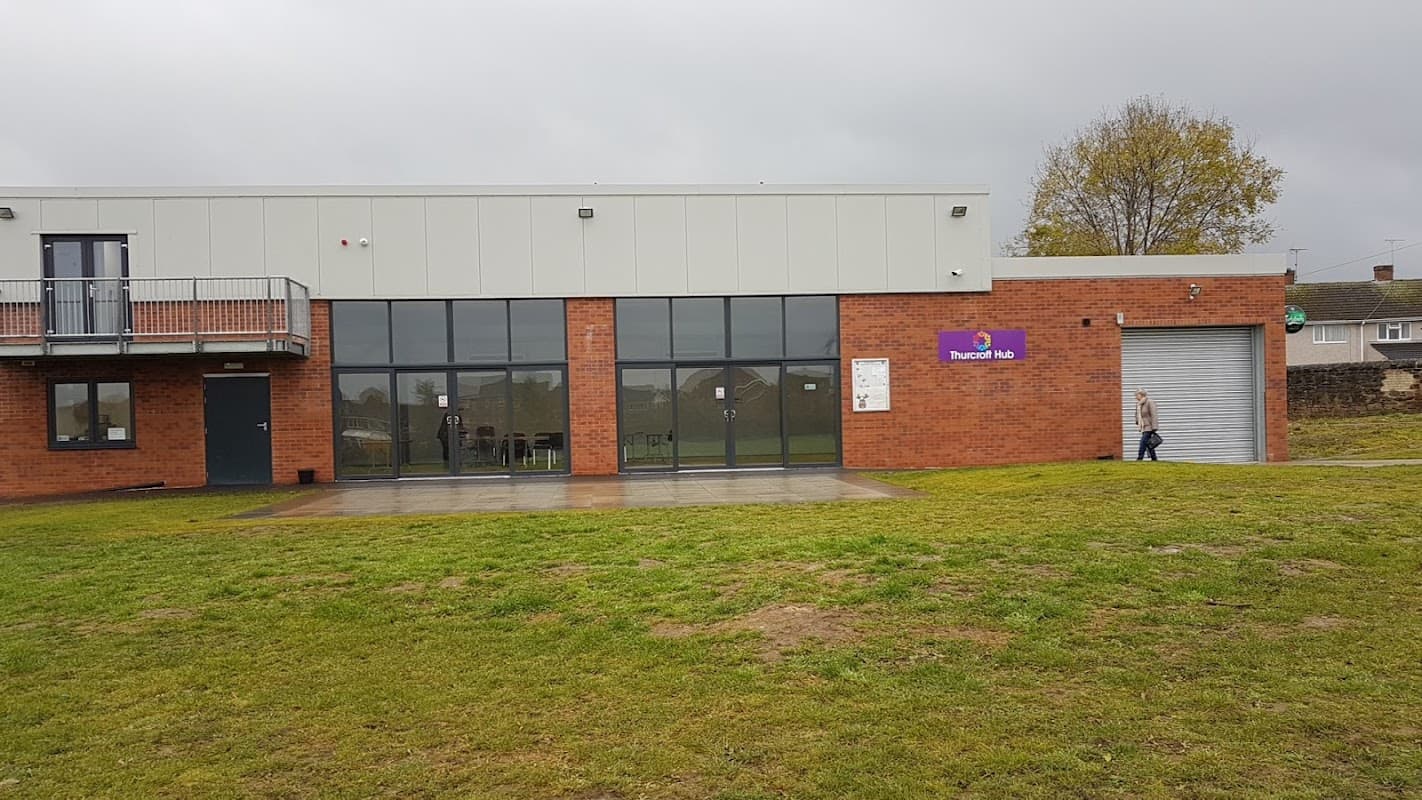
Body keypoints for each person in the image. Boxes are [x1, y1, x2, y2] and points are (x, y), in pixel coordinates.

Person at [1135, 389, 1159, 461]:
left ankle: (1140, 458)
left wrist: (1154, 427)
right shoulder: (1139, 404)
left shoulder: (1149, 402)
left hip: (1149, 427)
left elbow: (1154, 415)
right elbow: (1138, 415)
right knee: (1149, 444)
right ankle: (1154, 458)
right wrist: (1137, 421)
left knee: (1143, 442)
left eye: (1137, 395)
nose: (1136, 397)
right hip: (1143, 427)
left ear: (1141, 395)